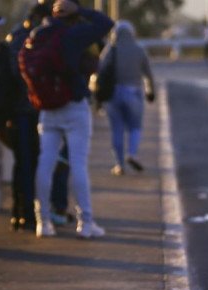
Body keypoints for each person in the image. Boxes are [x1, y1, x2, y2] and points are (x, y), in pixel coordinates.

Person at [32, 0, 113, 239]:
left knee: (45, 162)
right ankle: (86, 223)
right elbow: (106, 23)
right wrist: (80, 11)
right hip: (73, 105)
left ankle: (43, 222)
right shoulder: (73, 34)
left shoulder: (39, 34)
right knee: (78, 164)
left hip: (47, 107)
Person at [6, 2, 72, 231]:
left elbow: (14, 73)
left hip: (23, 111)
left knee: (26, 164)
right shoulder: (53, 39)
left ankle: (26, 213)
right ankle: (53, 209)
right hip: (46, 109)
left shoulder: (16, 38)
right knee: (55, 161)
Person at [100, 21, 156, 176]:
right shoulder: (139, 50)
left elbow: (100, 71)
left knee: (117, 129)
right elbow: (148, 74)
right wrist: (151, 91)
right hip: (133, 93)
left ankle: (119, 164)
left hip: (112, 95)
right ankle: (131, 153)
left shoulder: (111, 50)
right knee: (135, 127)